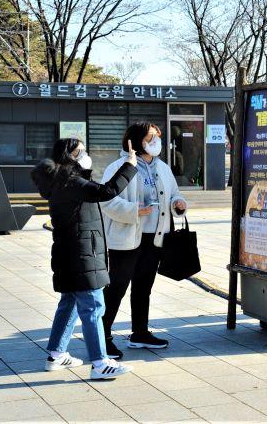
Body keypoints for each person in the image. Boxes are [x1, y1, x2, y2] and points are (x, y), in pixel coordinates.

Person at [31, 138, 137, 380]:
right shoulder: (71, 182)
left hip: (69, 252)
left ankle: (56, 354)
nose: (86, 155)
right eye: (81, 151)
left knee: (68, 303)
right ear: (70, 156)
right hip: (81, 255)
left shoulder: (60, 182)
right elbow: (106, 191)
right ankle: (100, 362)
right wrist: (130, 165)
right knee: (93, 307)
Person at [100, 122, 188, 359]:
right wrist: (133, 210)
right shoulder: (119, 166)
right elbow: (106, 200)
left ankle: (139, 332)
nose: (156, 141)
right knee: (116, 287)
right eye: (151, 137)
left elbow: (175, 193)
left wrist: (178, 204)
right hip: (127, 238)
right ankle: (102, 336)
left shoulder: (162, 167)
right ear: (137, 140)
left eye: (157, 137)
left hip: (155, 237)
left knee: (143, 287)